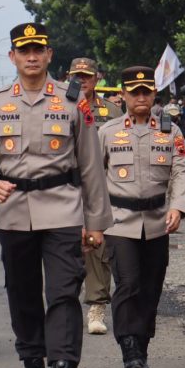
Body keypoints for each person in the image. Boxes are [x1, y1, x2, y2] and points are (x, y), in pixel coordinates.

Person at [0, 23, 112, 368]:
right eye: (23, 50)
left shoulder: (72, 100)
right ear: (12, 56)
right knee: (22, 295)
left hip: (62, 208)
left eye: (37, 50)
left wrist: (96, 222)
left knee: (62, 293)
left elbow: (92, 166)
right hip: (13, 214)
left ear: (48, 56)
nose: (30, 57)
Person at [99, 66, 185, 368]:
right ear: (123, 95)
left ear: (154, 95)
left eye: (146, 92)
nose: (141, 97)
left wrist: (178, 208)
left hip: (156, 221)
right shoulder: (108, 132)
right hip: (118, 222)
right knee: (128, 284)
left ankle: (142, 344)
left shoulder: (171, 132)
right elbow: (94, 177)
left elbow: (182, 170)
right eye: (134, 92)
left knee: (151, 287)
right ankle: (129, 350)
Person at [67, 56, 123, 335]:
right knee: (62, 246)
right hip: (63, 188)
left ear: (96, 78)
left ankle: (97, 305)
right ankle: (64, 301)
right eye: (76, 75)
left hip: (100, 188)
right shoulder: (57, 105)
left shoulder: (112, 112)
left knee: (97, 247)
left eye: (86, 76)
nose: (81, 80)